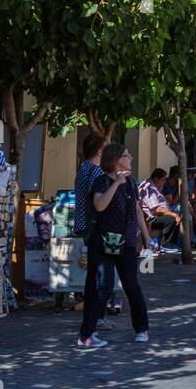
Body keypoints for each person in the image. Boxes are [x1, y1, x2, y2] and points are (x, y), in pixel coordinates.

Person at [78, 144, 150, 346]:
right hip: (102, 242)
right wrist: (116, 183)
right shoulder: (102, 181)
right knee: (103, 286)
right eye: (127, 155)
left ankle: (142, 328)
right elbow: (99, 205)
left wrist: (146, 237)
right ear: (117, 159)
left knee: (131, 285)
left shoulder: (131, 183)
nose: (131, 159)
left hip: (125, 242)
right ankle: (87, 334)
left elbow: (137, 210)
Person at [74, 133, 118, 333]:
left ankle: (93, 316)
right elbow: (99, 201)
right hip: (95, 227)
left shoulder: (84, 168)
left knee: (93, 275)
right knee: (102, 277)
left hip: (85, 225)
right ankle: (96, 317)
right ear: (100, 151)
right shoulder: (95, 172)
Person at [139, 168, 181, 253]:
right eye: (163, 180)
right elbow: (156, 209)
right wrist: (174, 215)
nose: (165, 182)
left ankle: (172, 243)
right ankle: (165, 245)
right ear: (156, 179)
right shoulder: (149, 188)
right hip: (151, 217)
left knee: (177, 215)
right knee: (171, 219)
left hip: (157, 214)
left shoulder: (155, 185)